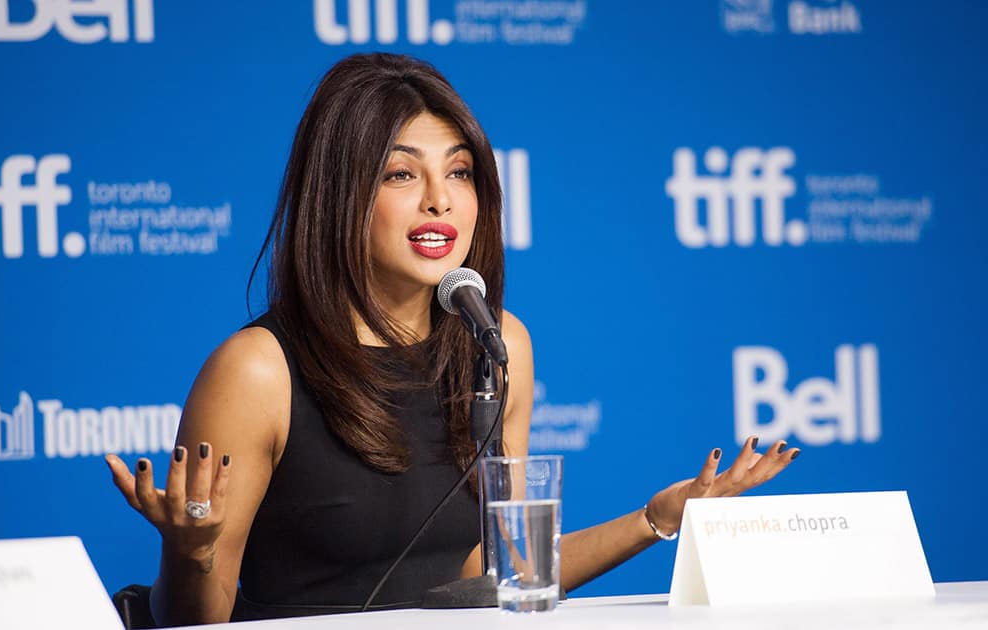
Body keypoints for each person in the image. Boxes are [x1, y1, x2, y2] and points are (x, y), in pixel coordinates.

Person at [105, 52, 799, 626]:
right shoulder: (257, 370)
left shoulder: (498, 346)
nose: (440, 199)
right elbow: (194, 624)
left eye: (459, 171)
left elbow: (504, 576)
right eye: (401, 173)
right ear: (341, 195)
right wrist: (191, 554)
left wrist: (658, 518)